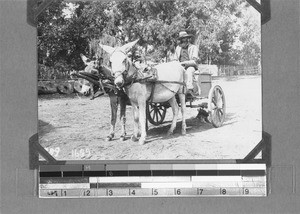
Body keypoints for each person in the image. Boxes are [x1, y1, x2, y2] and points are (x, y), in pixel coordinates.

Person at [174, 31, 201, 97]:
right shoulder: (178, 48)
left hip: (191, 66)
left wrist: (184, 63)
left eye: (184, 38)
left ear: (187, 39)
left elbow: (194, 61)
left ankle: (189, 89)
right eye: (181, 39)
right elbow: (175, 59)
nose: (182, 40)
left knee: (189, 71)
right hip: (180, 67)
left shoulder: (193, 47)